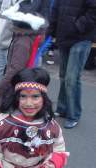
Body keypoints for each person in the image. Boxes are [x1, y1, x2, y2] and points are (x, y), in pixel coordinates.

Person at [47, 0, 96, 129]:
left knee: (72, 78)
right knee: (63, 76)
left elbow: (93, 11)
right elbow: (55, 11)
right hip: (64, 36)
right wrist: (51, 31)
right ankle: (62, 108)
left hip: (81, 38)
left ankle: (74, 114)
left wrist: (77, 26)